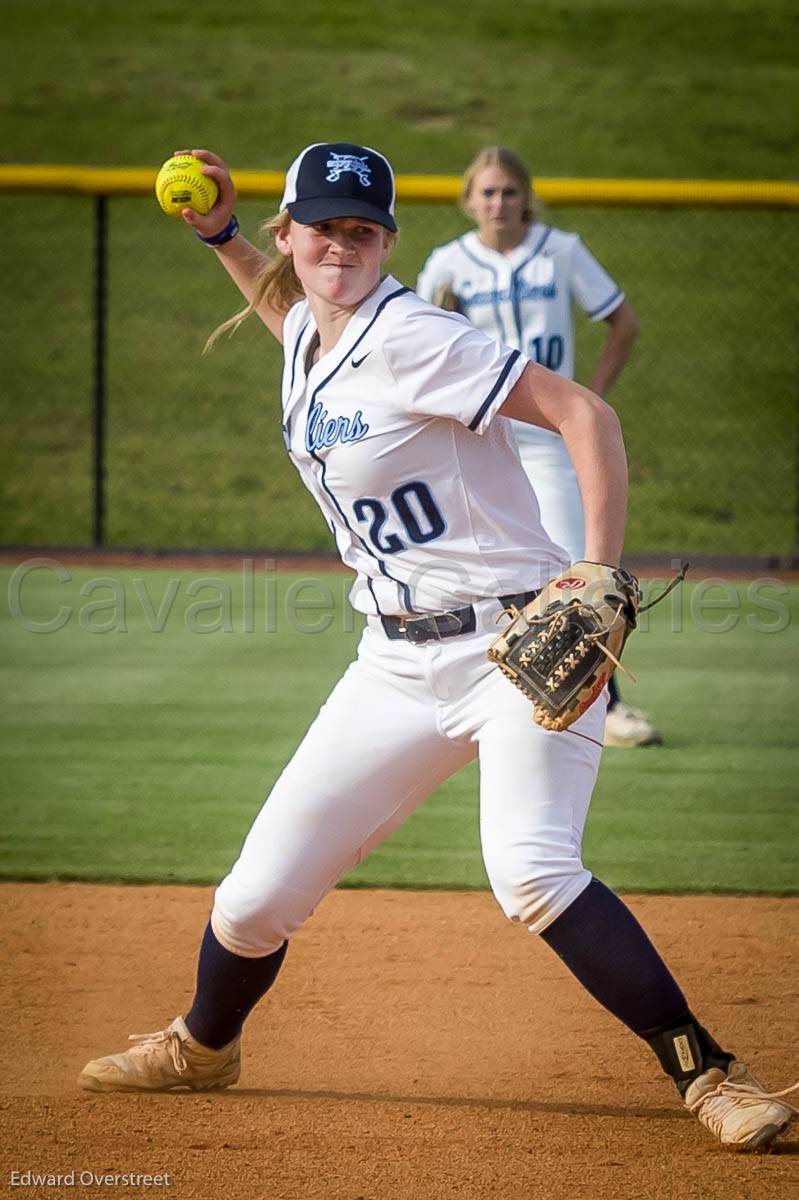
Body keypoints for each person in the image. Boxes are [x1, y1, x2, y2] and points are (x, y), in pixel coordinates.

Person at [78, 142, 797, 1150]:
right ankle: (202, 1048)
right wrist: (221, 237)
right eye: (321, 225)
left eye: (362, 228)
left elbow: (583, 413)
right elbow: (288, 310)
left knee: (532, 871)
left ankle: (711, 1076)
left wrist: (595, 573)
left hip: (519, 649)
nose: (341, 243)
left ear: (386, 244)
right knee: (251, 902)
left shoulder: (416, 336)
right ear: (291, 233)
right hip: (393, 663)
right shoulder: (308, 336)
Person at [416, 146, 659, 749]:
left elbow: (622, 322)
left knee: (578, 567)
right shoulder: (448, 264)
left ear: (527, 197)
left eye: (509, 191)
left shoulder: (561, 251)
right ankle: (481, 695)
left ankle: (608, 706)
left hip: (550, 438)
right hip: (479, 439)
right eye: (488, 192)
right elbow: (420, 346)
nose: (499, 203)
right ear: (468, 200)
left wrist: (588, 401)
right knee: (478, 567)